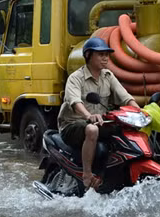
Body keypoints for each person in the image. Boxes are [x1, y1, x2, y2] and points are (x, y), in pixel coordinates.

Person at [57, 37, 139, 190]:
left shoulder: (108, 76)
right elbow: (75, 103)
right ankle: (87, 175)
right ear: (88, 55)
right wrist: (89, 116)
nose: (105, 58)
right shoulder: (76, 78)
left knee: (125, 130)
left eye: (107, 54)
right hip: (73, 125)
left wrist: (140, 112)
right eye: (101, 54)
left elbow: (125, 97)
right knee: (92, 129)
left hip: (101, 122)